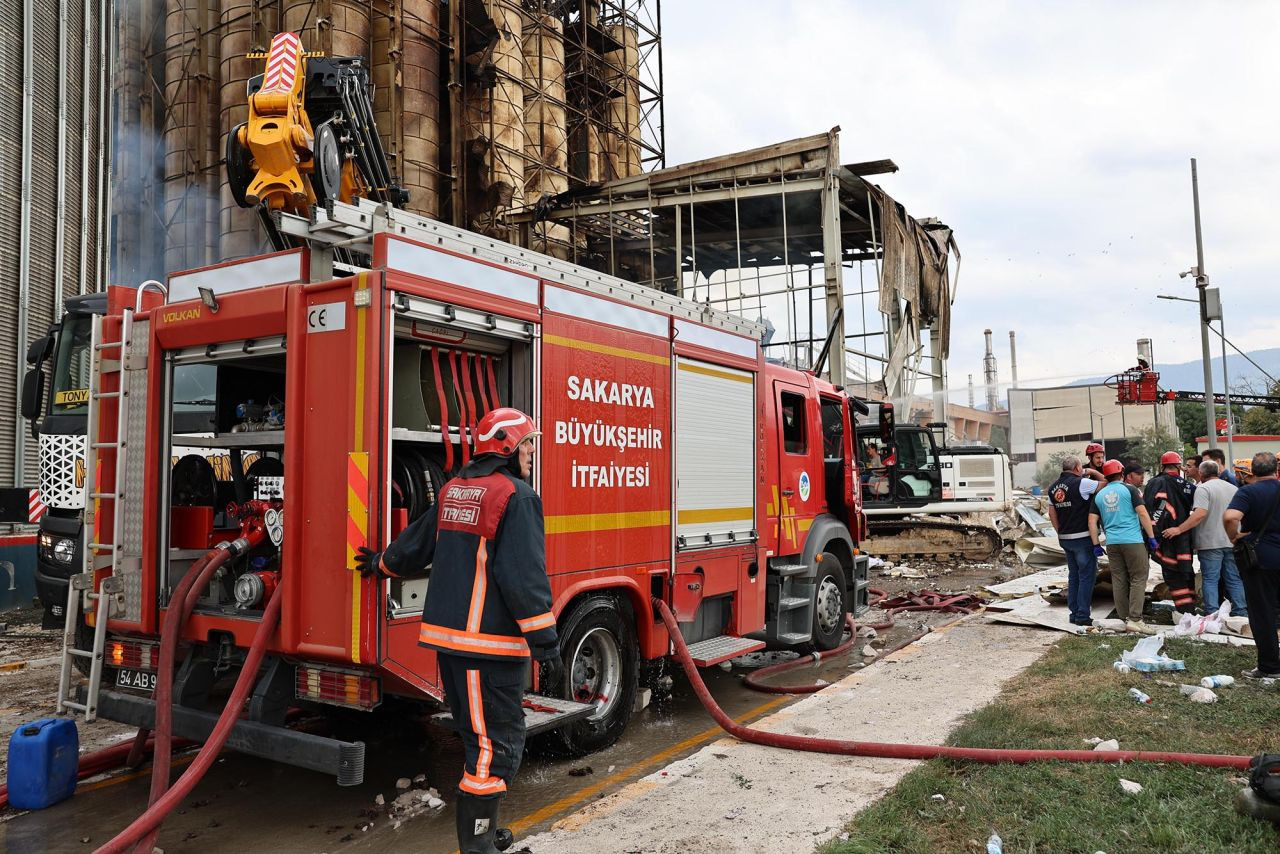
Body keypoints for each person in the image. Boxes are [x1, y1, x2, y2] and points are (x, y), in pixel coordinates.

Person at [357, 407, 560, 853]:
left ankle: (484, 834)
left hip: (451, 648)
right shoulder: (516, 496)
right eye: (528, 444)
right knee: (496, 746)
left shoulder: (455, 490)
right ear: (509, 447)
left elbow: (416, 543)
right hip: (487, 651)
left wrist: (380, 563)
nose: (531, 453)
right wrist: (546, 642)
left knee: (478, 740)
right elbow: (524, 577)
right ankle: (478, 845)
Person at [1224, 451, 1280, 680]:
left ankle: (1270, 666)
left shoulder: (1248, 492)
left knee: (1263, 612)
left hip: (1260, 560)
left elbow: (1230, 517)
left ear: (1253, 472)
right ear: (1276, 469)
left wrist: (1234, 537)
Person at [1165, 460, 1246, 617]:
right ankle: (1241, 612)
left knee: (1210, 579)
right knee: (1234, 579)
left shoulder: (1203, 489)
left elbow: (1200, 514)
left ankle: (1212, 613)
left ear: (1201, 473)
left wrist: (1179, 529)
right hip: (1231, 540)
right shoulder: (1233, 488)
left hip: (1210, 543)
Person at [1088, 459, 1160, 631]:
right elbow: (1142, 513)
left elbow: (1092, 521)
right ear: (1122, 473)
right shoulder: (1130, 490)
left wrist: (1096, 544)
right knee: (1138, 577)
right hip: (1133, 541)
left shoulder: (1099, 495)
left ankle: (1124, 617)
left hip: (1112, 543)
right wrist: (1151, 537)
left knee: (1118, 579)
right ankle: (1135, 619)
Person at [1047, 456, 1102, 626]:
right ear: (1078, 468)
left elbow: (1052, 514)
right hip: (1083, 537)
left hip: (1066, 538)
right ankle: (1082, 615)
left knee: (1074, 576)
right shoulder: (1082, 483)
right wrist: (1091, 471)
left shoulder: (1052, 488)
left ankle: (1073, 613)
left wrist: (1060, 532)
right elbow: (1106, 482)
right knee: (1086, 576)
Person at [1145, 451, 1198, 612]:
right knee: (1186, 571)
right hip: (1184, 537)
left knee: (1172, 574)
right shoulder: (1189, 486)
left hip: (1164, 537)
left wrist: (1151, 535)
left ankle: (1184, 612)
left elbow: (1148, 509)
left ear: (1162, 466)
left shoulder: (1155, 483)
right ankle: (1190, 609)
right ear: (1178, 466)